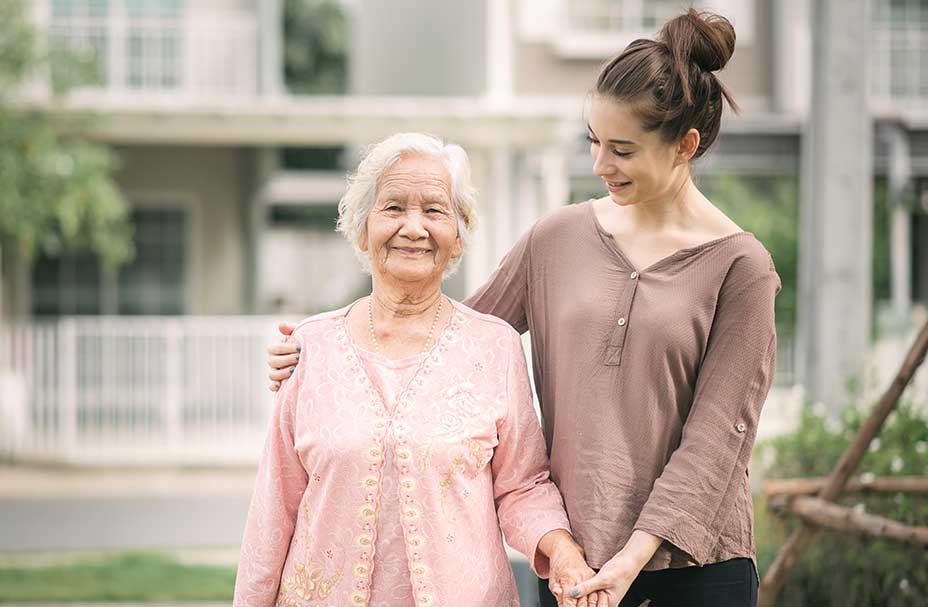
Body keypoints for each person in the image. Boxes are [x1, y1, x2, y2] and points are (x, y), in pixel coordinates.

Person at [266, 10, 779, 607]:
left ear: (685, 146)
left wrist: (632, 560)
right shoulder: (556, 238)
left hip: (696, 567)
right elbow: (452, 342)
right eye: (594, 143)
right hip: (575, 564)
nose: (599, 166)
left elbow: (717, 441)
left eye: (622, 150)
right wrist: (325, 351)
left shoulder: (741, 268)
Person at [234, 132, 600, 607]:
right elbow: (273, 507)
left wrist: (563, 550)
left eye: (433, 210)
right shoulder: (309, 348)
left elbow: (521, 487)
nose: (413, 227)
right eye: (393, 208)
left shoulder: (495, 347)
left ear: (458, 237)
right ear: (361, 229)